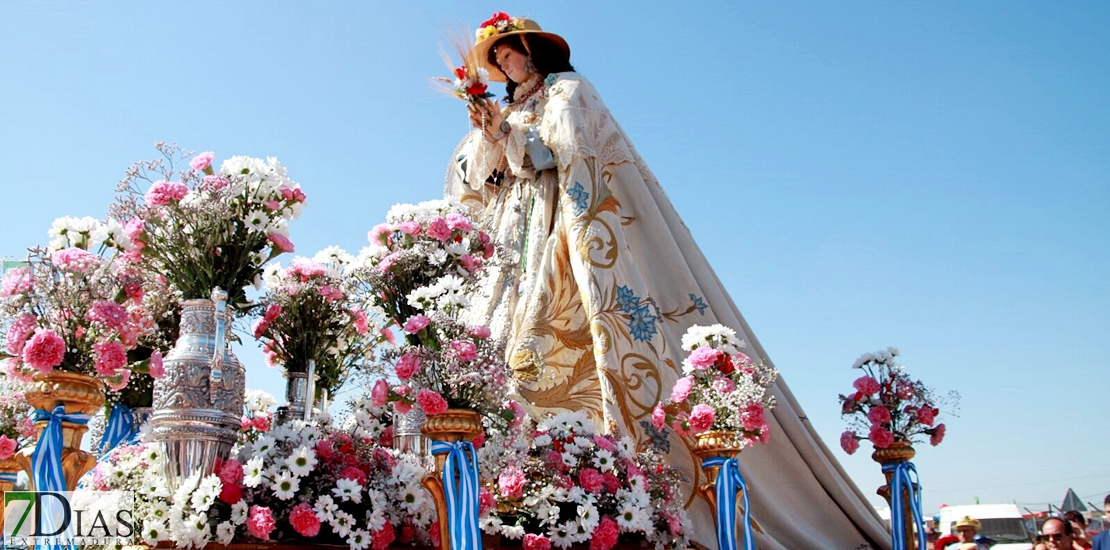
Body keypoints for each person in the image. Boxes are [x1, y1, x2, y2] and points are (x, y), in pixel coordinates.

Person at [445, 12, 888, 550]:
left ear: (531, 51)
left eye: (507, 53)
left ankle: (610, 485)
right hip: (520, 236)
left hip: (563, 229)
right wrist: (489, 132)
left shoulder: (568, 91)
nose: (502, 65)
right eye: (494, 60)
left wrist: (510, 135)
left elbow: (557, 158)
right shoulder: (511, 107)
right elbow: (482, 183)